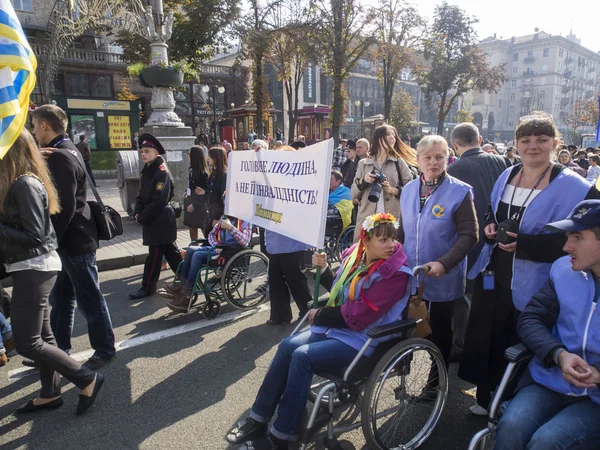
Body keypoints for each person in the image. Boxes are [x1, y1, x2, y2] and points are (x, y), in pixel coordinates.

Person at [226, 213, 414, 449]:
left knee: (302, 357)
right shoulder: (356, 257)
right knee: (287, 346)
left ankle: (282, 436)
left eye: (392, 239)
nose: (391, 245)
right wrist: (324, 269)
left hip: (365, 340)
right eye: (383, 240)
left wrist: (322, 315)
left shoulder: (395, 274)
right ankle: (258, 419)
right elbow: (340, 289)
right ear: (366, 241)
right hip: (339, 329)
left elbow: (361, 313)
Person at [459, 114, 599, 416]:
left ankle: (512, 401)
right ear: (517, 144)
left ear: (555, 143)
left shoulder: (576, 186)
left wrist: (525, 245)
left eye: (541, 140)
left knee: (519, 335)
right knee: (488, 332)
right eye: (526, 140)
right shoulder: (508, 174)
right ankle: (486, 397)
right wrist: (490, 227)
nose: (532, 145)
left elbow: (579, 239)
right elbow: (490, 211)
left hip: (534, 278)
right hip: (494, 272)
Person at [0, 129, 104, 414]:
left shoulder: (24, 184)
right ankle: (50, 393)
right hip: (31, 266)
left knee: (27, 342)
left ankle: (87, 378)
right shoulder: (21, 182)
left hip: (35, 267)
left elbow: (34, 236)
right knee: (44, 338)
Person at [493, 200, 600, 450]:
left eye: (577, 237)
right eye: (567, 236)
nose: (566, 247)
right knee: (510, 427)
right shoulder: (563, 270)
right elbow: (530, 319)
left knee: (546, 441)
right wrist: (558, 354)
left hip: (595, 399)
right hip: (551, 380)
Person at [31, 105, 116, 371]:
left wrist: (50, 241)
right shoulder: (66, 149)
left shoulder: (61, 156)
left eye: (34, 126)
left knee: (89, 298)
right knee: (62, 299)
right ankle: (57, 350)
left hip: (74, 241)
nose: (33, 131)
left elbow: (63, 207)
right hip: (71, 240)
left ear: (45, 125)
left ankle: (104, 348)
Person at [399, 135, 478, 369]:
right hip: (411, 273)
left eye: (439, 157)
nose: (434, 162)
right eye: (428, 157)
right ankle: (404, 370)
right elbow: (402, 231)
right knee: (408, 325)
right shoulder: (408, 190)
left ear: (448, 158)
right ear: (418, 160)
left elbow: (470, 234)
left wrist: (445, 263)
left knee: (441, 329)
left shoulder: (459, 191)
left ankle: (436, 382)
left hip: (442, 275)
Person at [448, 123, 511, 359]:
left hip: (470, 246)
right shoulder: (503, 162)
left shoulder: (454, 170)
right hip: (498, 245)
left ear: (454, 146)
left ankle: (463, 344)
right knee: (489, 290)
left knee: (465, 295)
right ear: (480, 138)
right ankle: (487, 339)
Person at [129, 134, 183, 299]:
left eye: (147, 151)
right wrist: (137, 211)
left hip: (160, 220)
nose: (143, 154)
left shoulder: (161, 173)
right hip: (154, 220)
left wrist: (142, 216)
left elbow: (158, 201)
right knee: (172, 255)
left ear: (156, 153)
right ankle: (188, 278)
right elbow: (142, 195)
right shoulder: (148, 169)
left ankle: (147, 288)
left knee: (154, 257)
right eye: (142, 151)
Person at [165, 215, 253, 311]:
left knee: (197, 256)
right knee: (190, 250)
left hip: (229, 252)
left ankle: (187, 294)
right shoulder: (225, 218)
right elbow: (212, 234)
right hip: (218, 248)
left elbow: (245, 242)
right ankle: (182, 286)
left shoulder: (246, 221)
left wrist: (230, 227)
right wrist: (216, 245)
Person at [351, 124, 414, 242]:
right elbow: (353, 194)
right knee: (366, 258)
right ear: (378, 138)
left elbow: (412, 189)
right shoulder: (363, 164)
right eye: (388, 134)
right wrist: (364, 181)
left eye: (394, 135)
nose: (392, 138)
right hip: (367, 223)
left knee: (391, 256)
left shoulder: (398, 162)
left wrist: (392, 190)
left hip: (392, 222)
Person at [183, 146, 210, 241]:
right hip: (190, 203)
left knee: (205, 232)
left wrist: (194, 204)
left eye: (190, 155)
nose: (188, 157)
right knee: (192, 232)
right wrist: (186, 192)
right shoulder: (192, 171)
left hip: (199, 207)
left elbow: (205, 194)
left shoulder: (203, 174)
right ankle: (194, 251)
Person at [205, 146, 228, 238]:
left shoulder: (224, 175)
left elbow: (224, 199)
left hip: (218, 216)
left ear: (216, 158)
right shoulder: (214, 173)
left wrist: (218, 218)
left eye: (210, 156)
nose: (208, 159)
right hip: (211, 213)